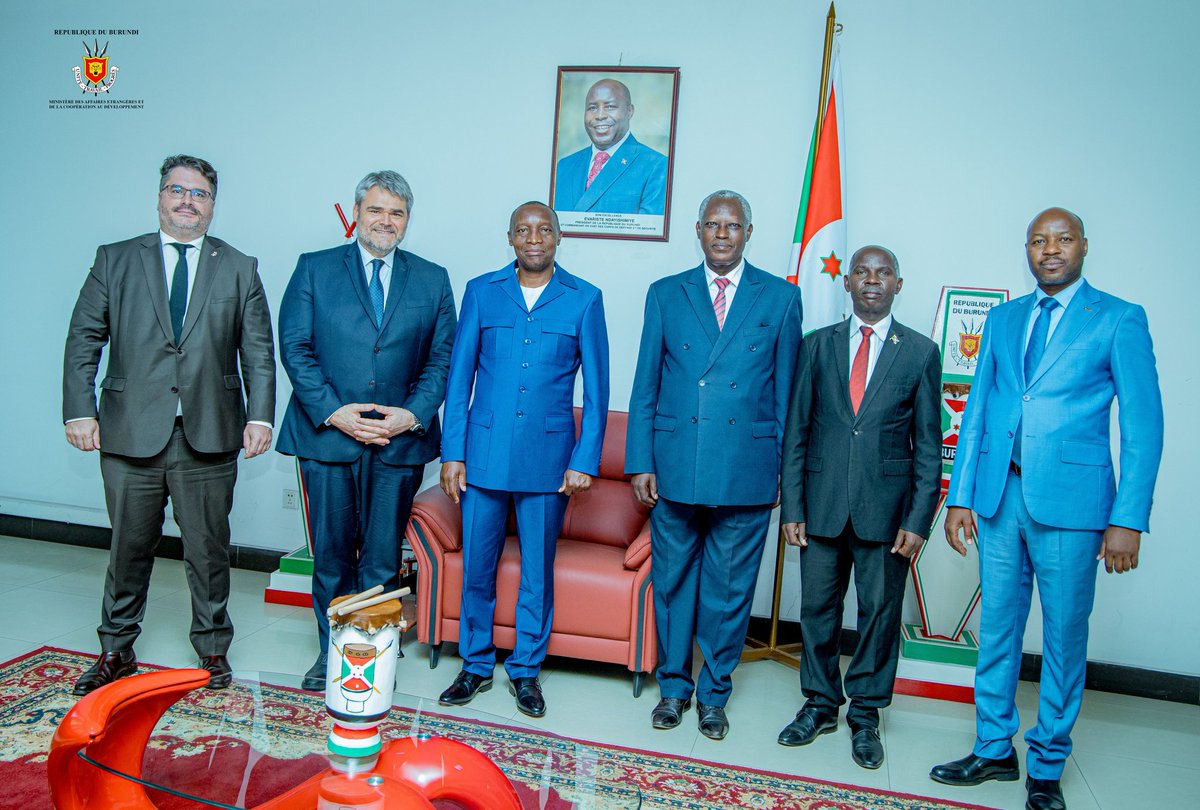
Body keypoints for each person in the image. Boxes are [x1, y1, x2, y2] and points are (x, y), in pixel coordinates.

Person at [930, 208, 1164, 810]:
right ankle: (992, 750)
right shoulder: (1006, 319)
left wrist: (1128, 518)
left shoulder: (1117, 318)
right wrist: (960, 496)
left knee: (1063, 637)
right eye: (1039, 241)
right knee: (998, 629)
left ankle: (1047, 765)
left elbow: (1142, 427)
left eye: (1062, 240)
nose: (1050, 250)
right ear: (1027, 250)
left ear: (1084, 245)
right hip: (1000, 499)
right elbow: (979, 408)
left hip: (1075, 508)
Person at [63, 154, 276, 695]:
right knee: (128, 546)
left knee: (208, 548)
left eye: (199, 193)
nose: (187, 201)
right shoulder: (115, 259)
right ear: (160, 197)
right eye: (177, 190)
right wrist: (79, 408)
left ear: (212, 204)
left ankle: (211, 651)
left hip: (209, 430)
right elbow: (84, 337)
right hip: (130, 429)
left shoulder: (239, 266)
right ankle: (115, 649)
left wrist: (260, 416)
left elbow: (257, 352)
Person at [626, 190, 803, 739]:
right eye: (712, 224)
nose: (722, 234)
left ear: (749, 232)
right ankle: (674, 690)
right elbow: (644, 387)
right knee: (675, 584)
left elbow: (789, 397)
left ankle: (713, 695)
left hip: (746, 469)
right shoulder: (665, 293)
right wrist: (640, 461)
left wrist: (780, 472)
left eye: (733, 225)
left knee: (728, 591)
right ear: (698, 231)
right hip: (675, 464)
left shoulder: (780, 297)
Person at [276, 170, 456, 691]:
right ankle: (330, 654)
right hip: (328, 437)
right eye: (376, 210)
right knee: (331, 556)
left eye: (396, 213)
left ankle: (369, 657)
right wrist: (336, 412)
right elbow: (296, 348)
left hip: (399, 442)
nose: (385, 221)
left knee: (381, 557)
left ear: (407, 221)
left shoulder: (432, 278)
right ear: (357, 213)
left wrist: (413, 413)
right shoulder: (314, 269)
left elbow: (442, 359)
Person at [437, 202, 609, 717]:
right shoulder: (482, 292)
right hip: (483, 456)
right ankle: (474, 664)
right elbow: (459, 377)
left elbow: (598, 392)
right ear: (510, 237)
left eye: (544, 230)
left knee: (537, 571)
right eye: (524, 230)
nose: (534, 238)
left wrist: (584, 458)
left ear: (558, 237)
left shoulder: (584, 299)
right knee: (477, 569)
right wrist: (453, 452)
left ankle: (527, 671)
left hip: (549, 463)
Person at [777, 246, 941, 769]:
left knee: (878, 615)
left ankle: (865, 715)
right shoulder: (816, 346)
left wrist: (918, 520)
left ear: (898, 283)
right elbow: (796, 433)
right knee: (817, 612)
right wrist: (792, 507)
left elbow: (928, 445)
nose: (872, 280)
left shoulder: (919, 351)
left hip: (887, 515)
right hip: (821, 506)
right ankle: (821, 704)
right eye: (862, 272)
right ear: (847, 283)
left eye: (883, 272)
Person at [553, 79, 669, 215]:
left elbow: (649, 232)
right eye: (592, 108)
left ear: (629, 111)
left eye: (610, 107)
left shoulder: (656, 165)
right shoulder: (565, 166)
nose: (600, 116)